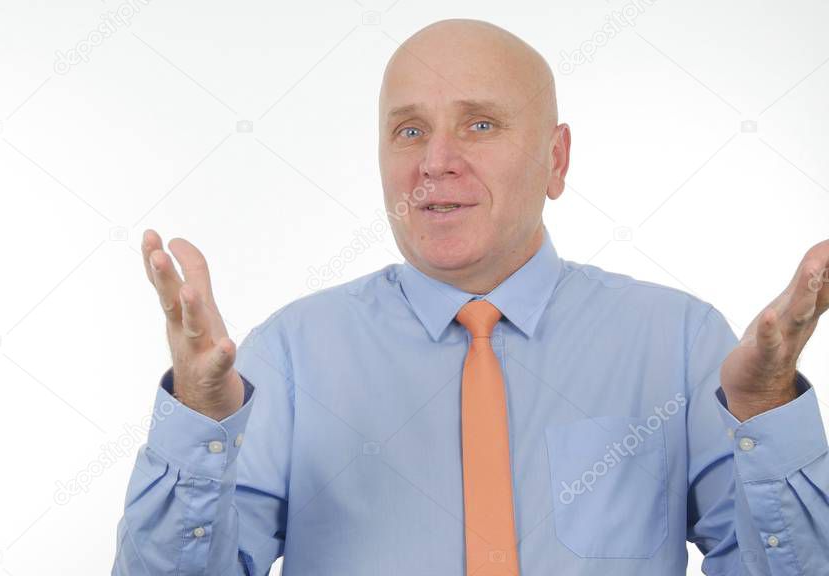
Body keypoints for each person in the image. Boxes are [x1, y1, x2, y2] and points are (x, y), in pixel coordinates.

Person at [111, 18, 829, 575]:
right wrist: (200, 425)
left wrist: (766, 410)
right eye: (409, 130)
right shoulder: (289, 357)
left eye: (479, 124)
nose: (435, 161)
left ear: (555, 158)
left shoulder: (678, 342)